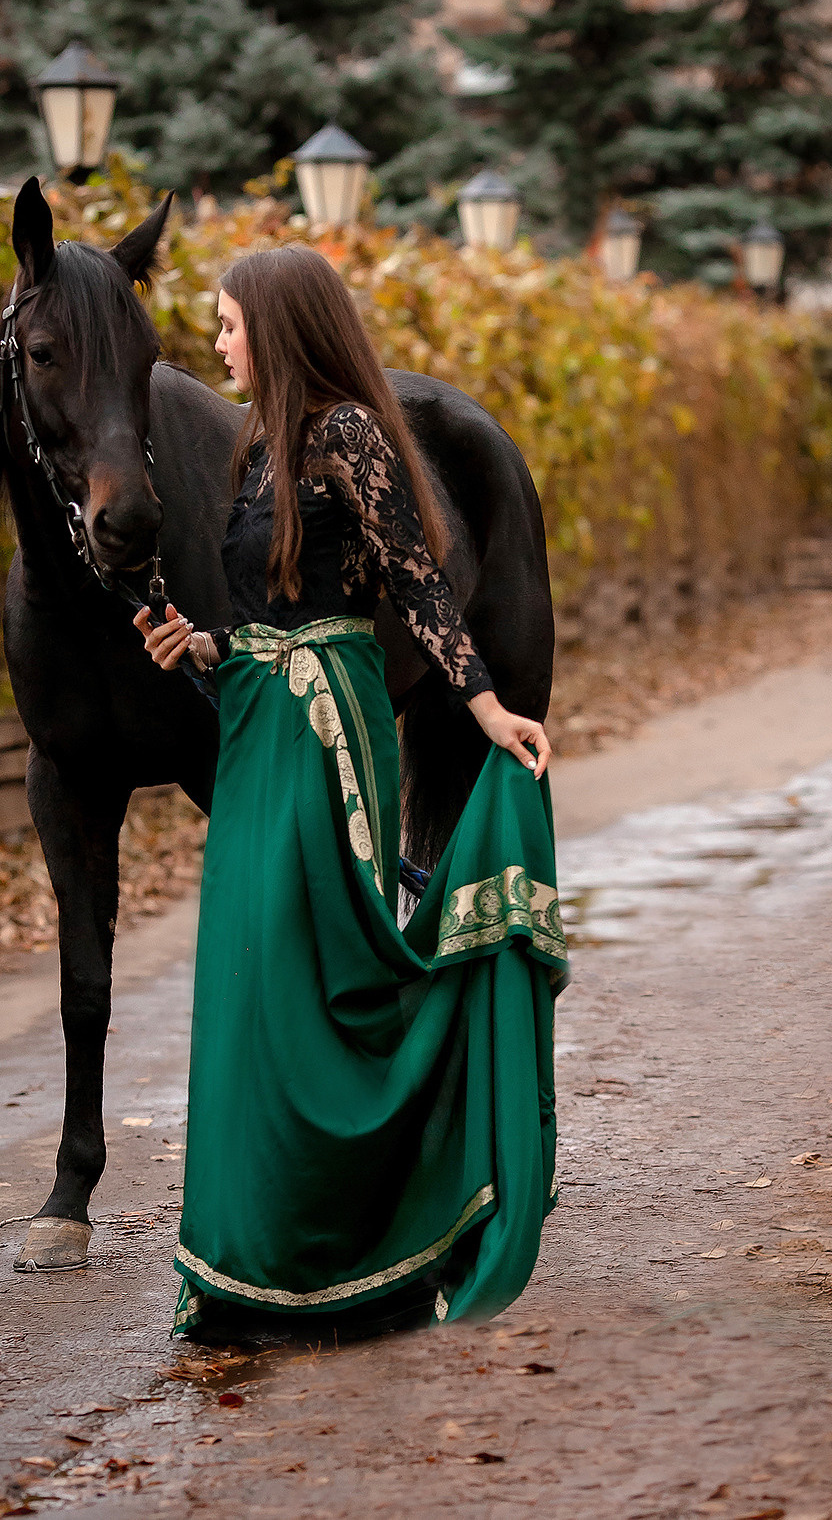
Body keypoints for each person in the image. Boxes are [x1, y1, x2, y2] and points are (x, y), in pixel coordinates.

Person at [133, 245, 567, 1340]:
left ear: (277, 328)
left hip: (329, 725)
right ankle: (257, 1261)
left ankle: (379, 1231)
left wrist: (484, 710)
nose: (218, 342)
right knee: (253, 984)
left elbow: (415, 582)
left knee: (328, 970)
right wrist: (197, 644)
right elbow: (267, 613)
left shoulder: (348, 434)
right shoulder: (258, 448)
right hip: (254, 725)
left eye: (230, 324)